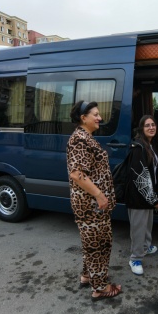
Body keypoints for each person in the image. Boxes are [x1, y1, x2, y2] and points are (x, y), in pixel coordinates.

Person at [66, 100, 122, 300]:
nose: (100, 118)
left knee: (92, 241)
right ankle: (100, 288)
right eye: (96, 115)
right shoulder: (80, 139)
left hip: (93, 204)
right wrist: (99, 195)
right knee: (99, 243)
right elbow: (76, 174)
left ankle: (87, 276)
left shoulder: (85, 137)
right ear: (83, 118)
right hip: (91, 205)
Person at [125, 115, 158, 276]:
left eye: (153, 124)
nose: (151, 128)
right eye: (147, 125)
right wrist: (154, 199)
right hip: (138, 196)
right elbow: (140, 177)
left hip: (147, 194)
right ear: (141, 129)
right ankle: (135, 258)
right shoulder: (138, 148)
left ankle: (146, 246)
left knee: (148, 223)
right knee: (139, 228)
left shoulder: (149, 145)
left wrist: (153, 196)